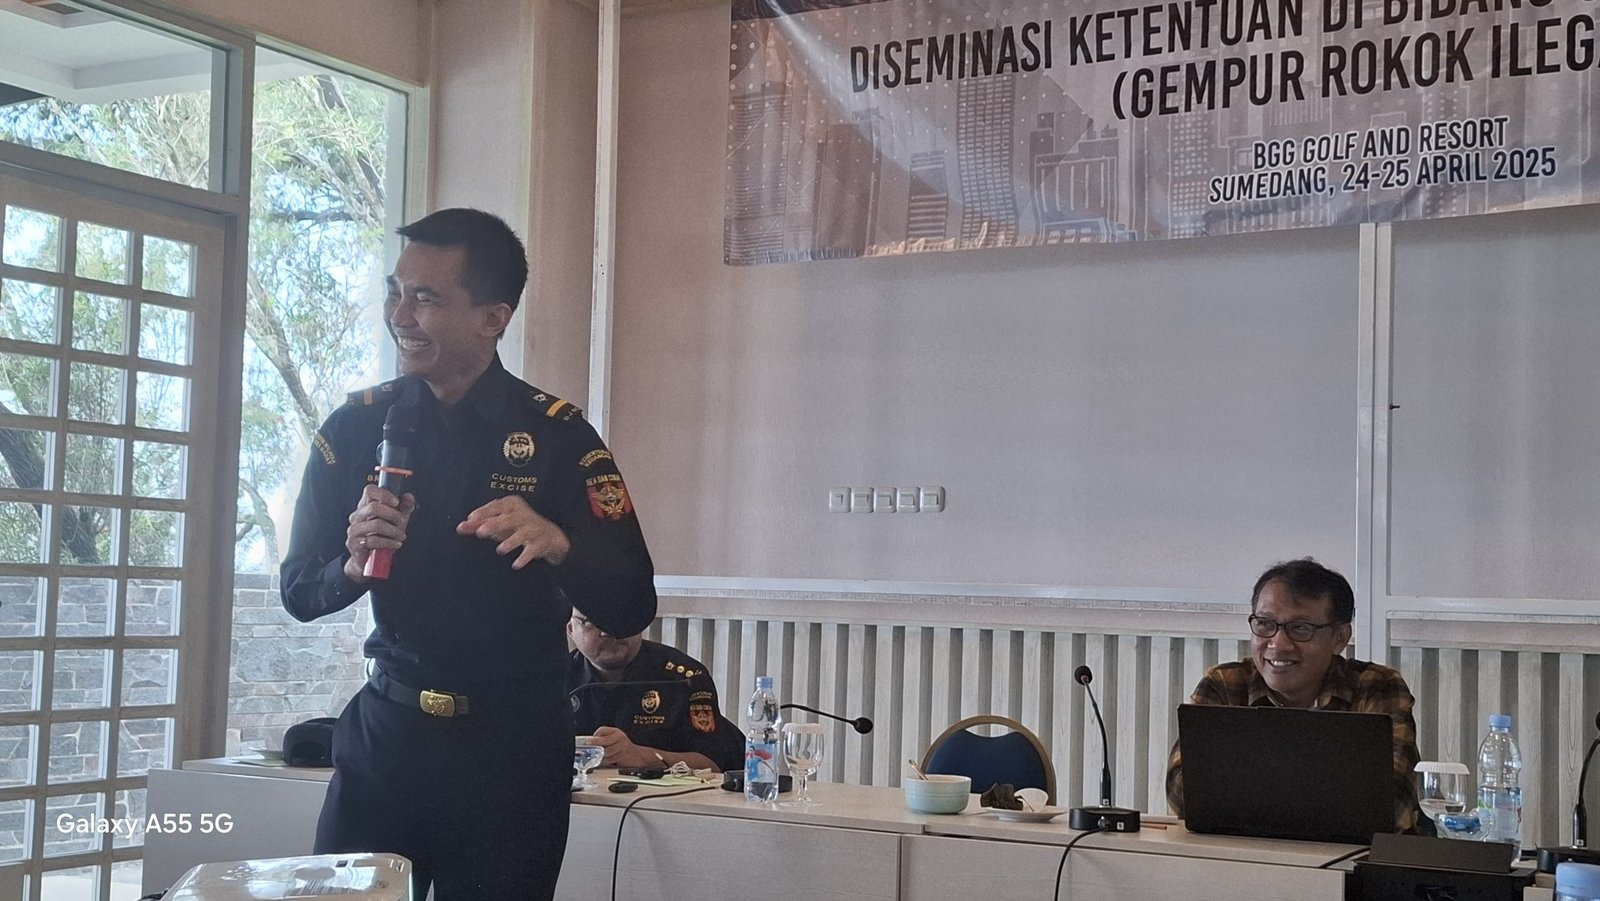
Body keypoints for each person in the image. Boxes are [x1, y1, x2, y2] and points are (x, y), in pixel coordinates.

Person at [280, 208, 656, 900]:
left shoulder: (559, 437)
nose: (400, 315)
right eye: (396, 292)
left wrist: (562, 545)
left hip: (512, 753)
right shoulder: (356, 425)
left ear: (493, 318)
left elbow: (632, 602)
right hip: (387, 738)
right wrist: (352, 568)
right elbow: (300, 591)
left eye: (426, 298)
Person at [1164, 558, 1421, 833]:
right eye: (1265, 624)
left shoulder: (1377, 686)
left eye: (1300, 628)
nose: (1278, 644)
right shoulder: (1224, 686)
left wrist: (1248, 795)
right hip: (1243, 854)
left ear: (1340, 637)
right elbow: (1184, 793)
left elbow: (1391, 803)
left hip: (1356, 857)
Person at [565, 610, 743, 772]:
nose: (609, 631)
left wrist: (640, 756)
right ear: (571, 629)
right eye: (592, 622)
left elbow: (713, 764)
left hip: (667, 797)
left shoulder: (684, 678)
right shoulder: (559, 678)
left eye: (622, 617)